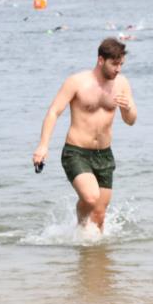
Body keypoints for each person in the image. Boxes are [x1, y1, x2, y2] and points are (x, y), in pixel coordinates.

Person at [33, 38, 137, 231]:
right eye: (114, 64)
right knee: (90, 197)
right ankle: (80, 228)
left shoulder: (122, 84)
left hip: (104, 155)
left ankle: (94, 255)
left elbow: (130, 120)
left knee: (99, 215)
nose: (118, 69)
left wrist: (128, 108)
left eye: (121, 64)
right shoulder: (77, 82)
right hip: (76, 152)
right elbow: (54, 112)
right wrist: (43, 145)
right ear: (100, 60)